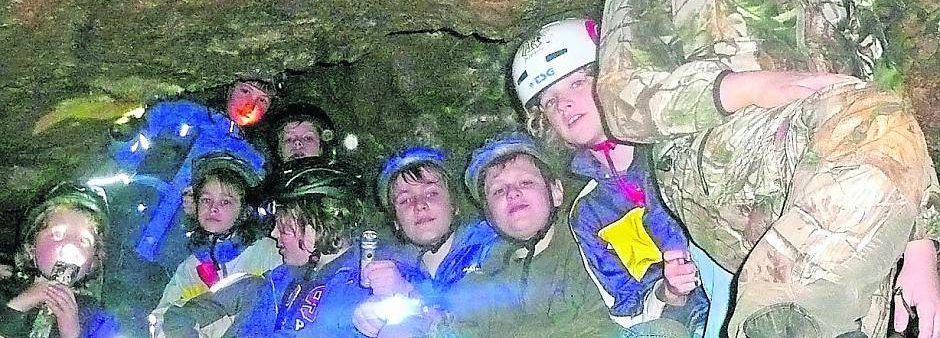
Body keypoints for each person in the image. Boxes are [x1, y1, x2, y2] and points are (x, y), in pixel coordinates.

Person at [597, 0, 940, 335]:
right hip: (719, 166)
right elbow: (622, 104)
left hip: (839, 181)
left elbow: (887, 94)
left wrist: (919, 245)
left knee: (842, 315)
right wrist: (743, 88)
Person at [512, 18, 724, 337]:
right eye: (550, 102)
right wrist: (670, 292)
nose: (564, 104)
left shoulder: (672, 144)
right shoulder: (587, 213)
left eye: (577, 82)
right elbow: (627, 307)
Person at [442, 132, 660, 338]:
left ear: (556, 193)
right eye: (498, 191)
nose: (513, 193)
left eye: (526, 182)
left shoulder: (595, 247)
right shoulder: (475, 286)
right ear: (489, 215)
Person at [97, 79, 272, 335]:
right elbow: (125, 154)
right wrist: (123, 134)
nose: (250, 105)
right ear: (228, 88)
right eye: (245, 91)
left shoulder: (253, 160)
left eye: (262, 101)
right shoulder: (180, 113)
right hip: (124, 236)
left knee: (143, 326)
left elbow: (238, 230)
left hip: (172, 260)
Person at [160, 165, 370, 337]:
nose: (274, 233)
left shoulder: (363, 290)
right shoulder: (275, 281)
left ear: (317, 225)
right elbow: (175, 316)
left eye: (284, 226)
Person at [352, 146, 498, 338]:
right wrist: (367, 321)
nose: (419, 205)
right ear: (396, 222)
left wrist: (410, 296)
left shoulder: (493, 249)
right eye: (405, 200)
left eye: (431, 194)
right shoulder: (399, 272)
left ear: (453, 205)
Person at [152, 152, 281, 338]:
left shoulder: (268, 252)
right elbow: (162, 320)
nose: (213, 208)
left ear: (244, 212)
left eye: (226, 201)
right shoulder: (189, 267)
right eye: (206, 200)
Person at [1, 182, 120, 338]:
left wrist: (72, 334)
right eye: (57, 234)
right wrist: (17, 306)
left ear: (93, 263)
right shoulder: (4, 289)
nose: (70, 247)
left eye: (84, 241)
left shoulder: (95, 319)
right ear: (31, 247)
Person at [265, 103, 338, 167]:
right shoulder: (268, 181)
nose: (297, 143)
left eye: (308, 138)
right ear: (279, 150)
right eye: (289, 139)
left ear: (322, 148)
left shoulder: (340, 180)